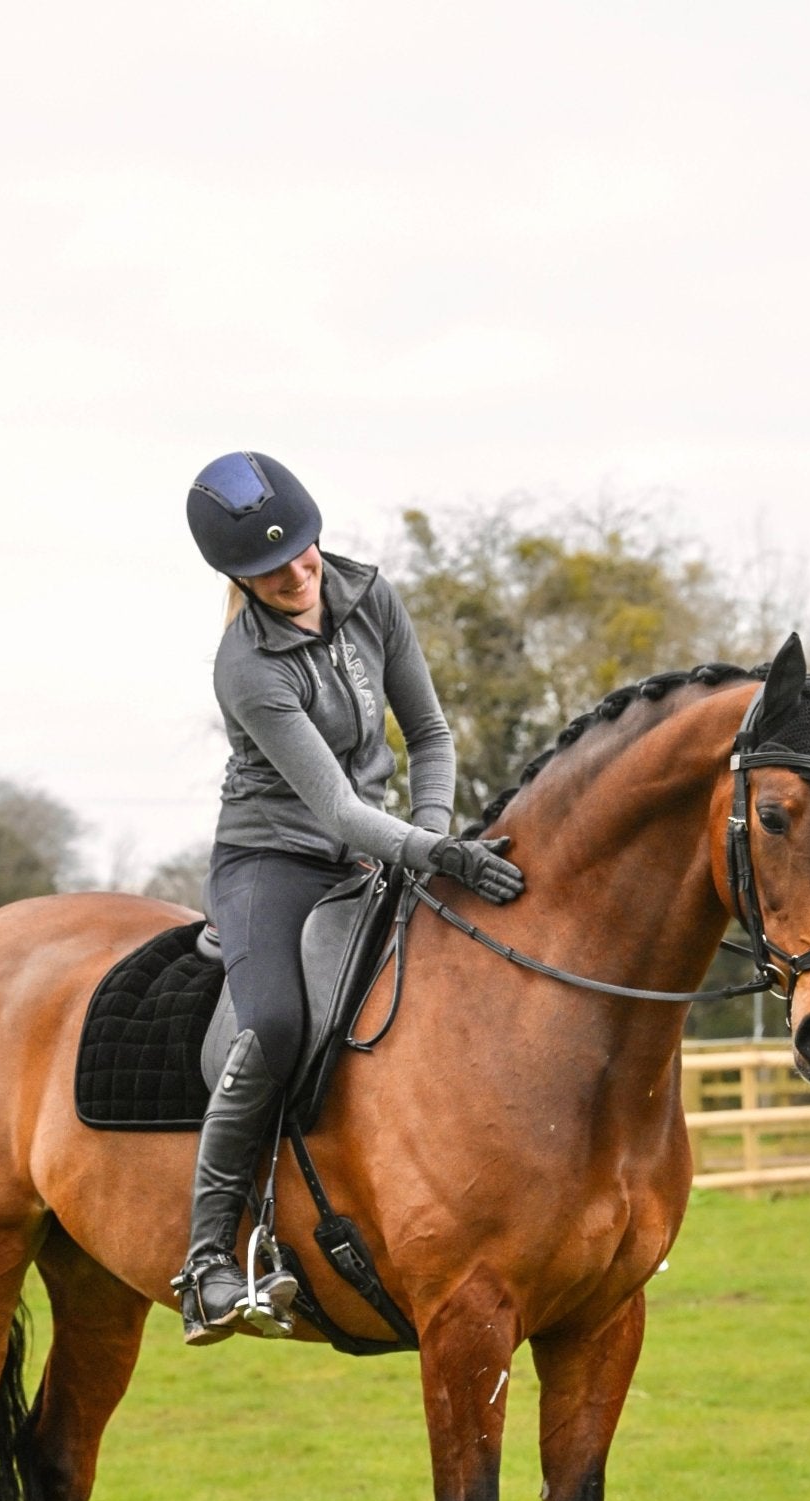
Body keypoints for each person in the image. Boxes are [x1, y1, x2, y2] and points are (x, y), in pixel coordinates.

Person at [175, 449, 525, 1344]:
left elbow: (431, 733)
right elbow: (330, 805)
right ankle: (210, 1260)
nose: (299, 575)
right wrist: (434, 851)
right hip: (274, 862)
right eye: (271, 570)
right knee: (280, 1027)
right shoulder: (245, 668)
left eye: (304, 552)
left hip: (381, 852)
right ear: (237, 580)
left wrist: (432, 836)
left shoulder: (369, 595)